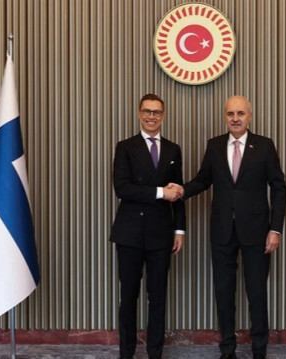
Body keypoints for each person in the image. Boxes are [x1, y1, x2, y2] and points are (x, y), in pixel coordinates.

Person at [176, 95, 286, 359]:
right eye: (230, 114)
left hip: (258, 232)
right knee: (224, 293)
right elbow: (203, 180)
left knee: (257, 293)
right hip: (222, 231)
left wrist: (276, 229)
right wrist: (181, 190)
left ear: (250, 116)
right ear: (225, 117)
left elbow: (279, 188)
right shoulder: (214, 145)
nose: (235, 118)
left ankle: (259, 350)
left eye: (240, 113)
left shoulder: (264, 146)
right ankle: (228, 349)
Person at [109, 93, 185, 359]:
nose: (152, 116)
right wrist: (159, 193)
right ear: (139, 113)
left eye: (157, 112)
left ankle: (155, 353)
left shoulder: (174, 149)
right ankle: (126, 353)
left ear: (163, 116)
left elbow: (178, 192)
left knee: (158, 297)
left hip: (161, 234)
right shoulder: (125, 147)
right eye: (147, 111)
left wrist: (180, 230)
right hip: (129, 234)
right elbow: (123, 188)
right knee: (128, 297)